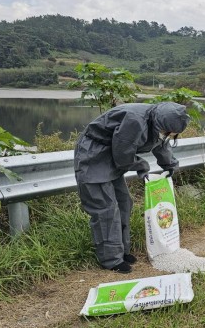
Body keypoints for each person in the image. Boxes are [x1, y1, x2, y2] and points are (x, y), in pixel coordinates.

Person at [74, 102, 190, 273]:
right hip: (93, 156)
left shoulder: (159, 122)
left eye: (171, 134)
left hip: (111, 155)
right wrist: (143, 168)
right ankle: (112, 260)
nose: (167, 135)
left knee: (124, 202)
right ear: (160, 123)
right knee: (105, 208)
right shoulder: (134, 121)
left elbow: (161, 144)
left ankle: (122, 251)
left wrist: (170, 165)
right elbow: (123, 155)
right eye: (166, 132)